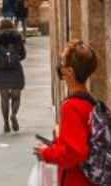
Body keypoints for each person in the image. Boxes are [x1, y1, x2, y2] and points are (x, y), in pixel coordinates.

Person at [36, 40, 102, 186]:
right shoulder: (90, 101)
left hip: (77, 180)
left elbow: (75, 152)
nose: (60, 67)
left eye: (62, 64)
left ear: (70, 72)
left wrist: (46, 153)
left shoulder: (72, 106)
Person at [0, 18, 27, 133]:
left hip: (1, 70)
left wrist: (2, 60)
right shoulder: (17, 35)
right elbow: (23, 54)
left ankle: (6, 123)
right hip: (15, 69)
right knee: (16, 97)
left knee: (4, 99)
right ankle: (14, 114)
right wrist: (15, 59)